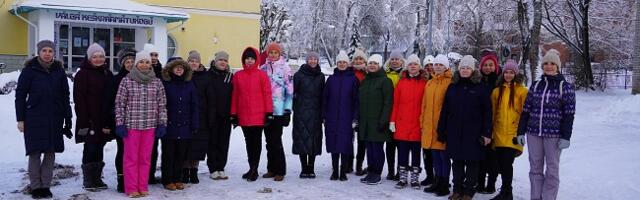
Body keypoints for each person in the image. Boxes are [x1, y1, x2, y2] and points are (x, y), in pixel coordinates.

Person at [15, 40, 73, 199]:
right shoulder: (29, 70)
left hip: (55, 118)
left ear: (54, 53)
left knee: (50, 153)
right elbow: (20, 95)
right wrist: (21, 119)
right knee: (34, 153)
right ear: (38, 52)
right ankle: (35, 187)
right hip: (34, 118)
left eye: (50, 51)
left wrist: (68, 118)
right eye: (44, 50)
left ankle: (45, 186)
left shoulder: (59, 71)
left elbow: (65, 96)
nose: (47, 54)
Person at [517, 49, 575, 200]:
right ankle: (536, 197)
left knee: (552, 169)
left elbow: (569, 115)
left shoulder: (566, 87)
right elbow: (526, 111)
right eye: (546, 64)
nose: (549, 66)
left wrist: (565, 137)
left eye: (552, 64)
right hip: (533, 133)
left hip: (554, 136)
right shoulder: (535, 86)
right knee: (535, 168)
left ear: (558, 66)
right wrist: (520, 132)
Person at [438, 55, 493, 200]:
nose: (465, 70)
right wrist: (441, 130)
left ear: (473, 70)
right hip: (454, 132)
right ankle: (457, 189)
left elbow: (487, 112)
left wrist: (487, 133)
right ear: (459, 69)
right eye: (462, 68)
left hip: (474, 133)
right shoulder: (453, 86)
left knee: (472, 163)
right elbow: (445, 110)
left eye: (468, 68)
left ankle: (469, 192)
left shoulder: (480, 88)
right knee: (457, 162)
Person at [115, 50, 168, 198]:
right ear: (136, 64)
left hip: (150, 126)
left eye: (147, 62)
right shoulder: (127, 80)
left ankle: (142, 186)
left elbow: (162, 105)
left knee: (145, 158)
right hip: (132, 126)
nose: (144, 64)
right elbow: (119, 103)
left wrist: (162, 124)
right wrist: (120, 123)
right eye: (141, 62)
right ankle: (131, 188)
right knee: (131, 159)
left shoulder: (156, 82)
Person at [74, 43, 115, 192]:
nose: (98, 59)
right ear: (89, 58)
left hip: (103, 119)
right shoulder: (82, 74)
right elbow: (79, 99)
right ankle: (88, 179)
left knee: (99, 146)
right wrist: (85, 120)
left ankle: (97, 178)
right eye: (95, 57)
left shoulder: (107, 73)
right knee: (90, 147)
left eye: (101, 56)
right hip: (89, 119)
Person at [231, 47, 273, 182]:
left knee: (256, 142)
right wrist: (233, 113)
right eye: (247, 59)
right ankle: (251, 167)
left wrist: (268, 112)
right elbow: (235, 95)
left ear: (256, 60)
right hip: (244, 115)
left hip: (258, 116)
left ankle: (254, 169)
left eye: (252, 58)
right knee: (249, 143)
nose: (249, 61)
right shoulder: (238, 75)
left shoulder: (262, 75)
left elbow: (267, 94)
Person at [489, 60, 527, 200]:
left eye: (511, 72)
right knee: (501, 164)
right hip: (499, 133)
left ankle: (507, 192)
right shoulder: (496, 91)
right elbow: (493, 113)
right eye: (506, 72)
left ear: (516, 74)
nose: (509, 75)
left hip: (513, 134)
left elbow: (525, 114)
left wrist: (521, 132)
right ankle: (505, 191)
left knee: (507, 163)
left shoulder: (522, 91)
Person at [160, 59, 199, 191]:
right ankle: (167, 180)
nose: (179, 69)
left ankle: (178, 178)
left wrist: (194, 124)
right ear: (170, 69)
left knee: (180, 155)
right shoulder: (164, 83)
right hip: (168, 125)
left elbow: (194, 105)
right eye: (176, 67)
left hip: (184, 125)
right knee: (168, 154)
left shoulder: (189, 84)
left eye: (181, 67)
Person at [390, 54, 427, 189]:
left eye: (415, 64)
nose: (413, 66)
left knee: (416, 154)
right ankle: (402, 178)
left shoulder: (424, 83)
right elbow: (395, 103)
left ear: (419, 66)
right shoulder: (401, 83)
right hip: (402, 124)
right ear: (407, 66)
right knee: (402, 153)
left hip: (417, 125)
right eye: (410, 64)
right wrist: (392, 121)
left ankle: (415, 178)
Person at [105, 48, 137, 193]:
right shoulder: (117, 79)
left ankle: (133, 179)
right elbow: (109, 102)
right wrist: (111, 122)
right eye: (127, 62)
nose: (130, 64)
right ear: (123, 64)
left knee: (135, 152)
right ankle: (121, 179)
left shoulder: (141, 78)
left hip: (138, 122)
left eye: (133, 61)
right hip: (121, 122)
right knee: (123, 150)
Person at [323, 50, 359, 181]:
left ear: (348, 64)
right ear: (336, 64)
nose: (342, 64)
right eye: (340, 62)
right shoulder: (331, 79)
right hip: (332, 117)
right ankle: (335, 171)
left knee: (345, 144)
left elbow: (356, 100)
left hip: (347, 118)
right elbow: (325, 99)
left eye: (344, 62)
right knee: (333, 144)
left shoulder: (353, 79)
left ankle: (343, 171)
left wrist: (355, 117)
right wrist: (324, 115)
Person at [420, 54, 453, 196]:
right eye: (436, 65)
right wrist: (422, 121)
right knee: (434, 156)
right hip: (429, 125)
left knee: (443, 157)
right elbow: (424, 105)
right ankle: (437, 181)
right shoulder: (430, 82)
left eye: (441, 65)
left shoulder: (450, 82)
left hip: (442, 126)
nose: (438, 67)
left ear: (446, 67)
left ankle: (444, 184)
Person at [259, 42, 293, 181]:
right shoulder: (262, 68)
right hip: (265, 110)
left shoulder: (285, 68)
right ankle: (271, 169)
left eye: (275, 52)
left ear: (279, 54)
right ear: (267, 53)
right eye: (271, 52)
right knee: (268, 141)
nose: (273, 55)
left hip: (279, 111)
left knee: (276, 141)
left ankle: (280, 170)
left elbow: (290, 91)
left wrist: (287, 110)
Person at [358, 54, 393, 185]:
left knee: (377, 148)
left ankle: (377, 173)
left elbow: (388, 103)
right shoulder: (365, 80)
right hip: (366, 122)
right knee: (369, 148)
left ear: (379, 65)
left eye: (375, 63)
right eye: (370, 63)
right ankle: (371, 171)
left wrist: (384, 120)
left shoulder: (385, 81)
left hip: (378, 122)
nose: (372, 65)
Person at [292, 52, 325, 178]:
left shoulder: (321, 76)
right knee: (301, 139)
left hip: (316, 112)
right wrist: (296, 108)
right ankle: (303, 168)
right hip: (301, 112)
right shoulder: (298, 75)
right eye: (310, 58)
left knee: (314, 140)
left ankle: (311, 168)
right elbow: (293, 93)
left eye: (315, 59)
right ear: (307, 60)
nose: (312, 61)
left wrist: (323, 112)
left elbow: (323, 95)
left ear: (317, 61)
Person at [182, 50, 209, 184]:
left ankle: (194, 171)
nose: (193, 63)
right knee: (186, 145)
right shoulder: (183, 74)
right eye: (191, 61)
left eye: (196, 61)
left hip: (201, 114)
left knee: (198, 145)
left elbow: (209, 96)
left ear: (199, 63)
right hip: (185, 115)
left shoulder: (205, 76)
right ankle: (185, 170)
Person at [477, 51, 501, 194]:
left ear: (495, 66)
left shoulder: (500, 82)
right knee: (480, 154)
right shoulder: (478, 81)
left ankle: (491, 183)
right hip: (480, 123)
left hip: (496, 123)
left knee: (493, 157)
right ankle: (479, 183)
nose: (488, 67)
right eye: (485, 65)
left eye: (491, 65)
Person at [207, 51, 234, 180]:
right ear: (215, 61)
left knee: (224, 143)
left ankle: (221, 167)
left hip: (226, 116)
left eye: (225, 60)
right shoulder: (208, 76)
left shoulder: (230, 77)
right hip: (212, 115)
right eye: (220, 60)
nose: (223, 62)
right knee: (212, 143)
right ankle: (213, 168)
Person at [143, 43, 163, 184]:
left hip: (157, 115)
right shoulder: (140, 71)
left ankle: (150, 175)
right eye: (151, 55)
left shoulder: (162, 71)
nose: (154, 58)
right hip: (143, 115)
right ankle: (143, 175)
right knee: (145, 149)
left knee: (154, 147)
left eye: (156, 55)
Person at [383, 50, 404, 181]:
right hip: (388, 114)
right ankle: (391, 170)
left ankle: (399, 171)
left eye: (397, 59)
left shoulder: (405, 75)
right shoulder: (385, 74)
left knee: (400, 146)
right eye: (393, 59)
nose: (395, 61)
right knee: (390, 145)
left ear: (402, 61)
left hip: (402, 116)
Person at [350, 48, 368, 176]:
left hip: (364, 110)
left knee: (362, 140)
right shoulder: (349, 72)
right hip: (350, 109)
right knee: (348, 138)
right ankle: (348, 163)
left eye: (360, 58)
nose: (358, 60)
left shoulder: (368, 73)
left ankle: (359, 165)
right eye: (356, 58)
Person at [420, 54, 435, 187]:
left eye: (432, 65)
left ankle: (439, 176)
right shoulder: (422, 81)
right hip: (424, 119)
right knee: (426, 152)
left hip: (435, 121)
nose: (430, 68)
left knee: (437, 152)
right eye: (427, 66)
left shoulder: (438, 80)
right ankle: (429, 175)